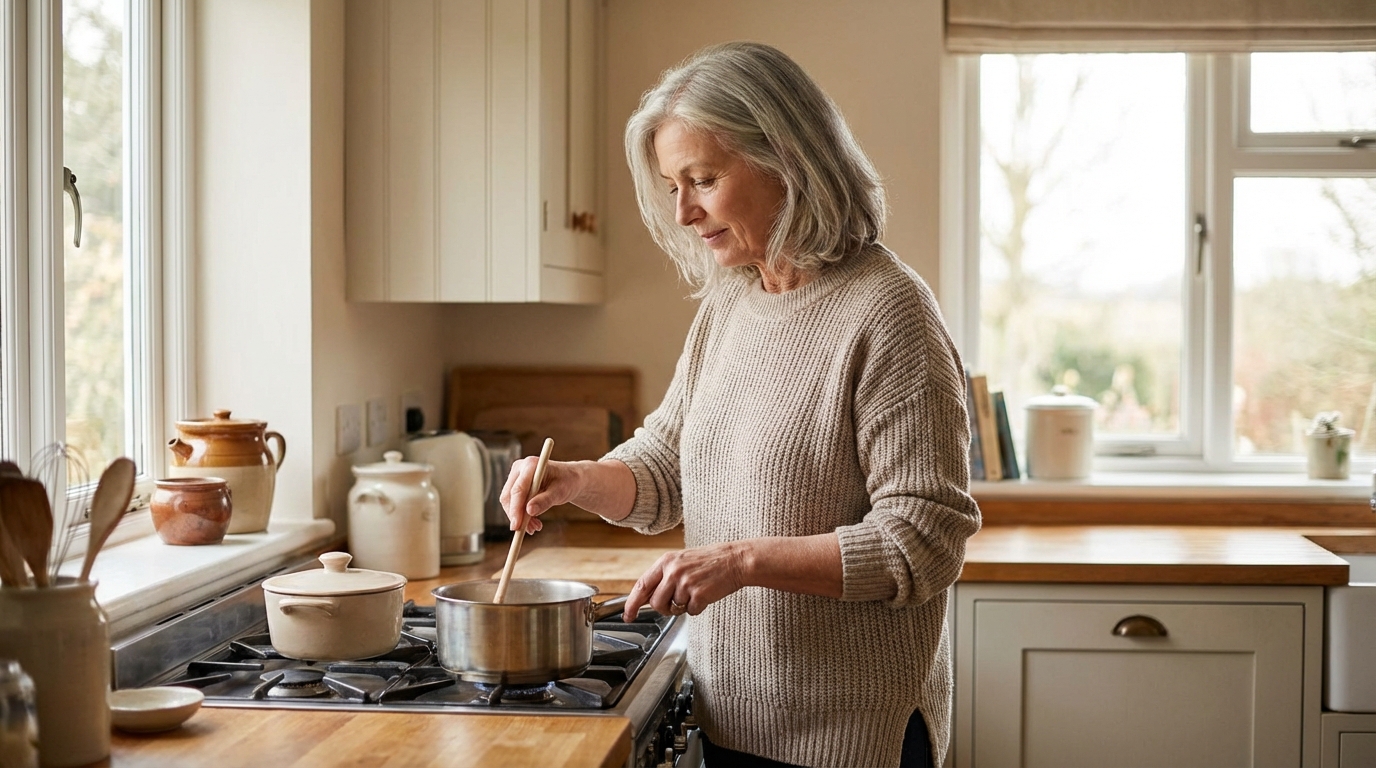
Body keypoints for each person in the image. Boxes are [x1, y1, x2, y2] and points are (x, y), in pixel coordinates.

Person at [500, 41, 981, 768]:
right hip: (729, 714)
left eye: (702, 179)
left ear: (787, 158)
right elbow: (665, 463)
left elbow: (923, 539)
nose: (685, 210)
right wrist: (575, 480)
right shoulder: (733, 301)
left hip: (850, 737)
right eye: (673, 186)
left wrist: (742, 561)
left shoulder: (889, 313)